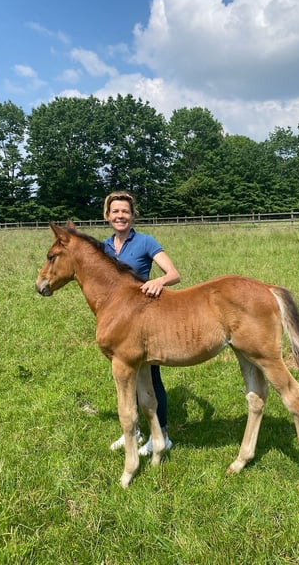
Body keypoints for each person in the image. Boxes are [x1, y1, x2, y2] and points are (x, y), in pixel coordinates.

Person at [103, 191, 181, 456]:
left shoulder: (145, 241)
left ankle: (163, 434)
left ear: (132, 215)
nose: (120, 216)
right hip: (118, 322)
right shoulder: (104, 247)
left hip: (144, 319)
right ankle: (134, 431)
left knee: (151, 376)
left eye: (125, 211)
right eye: (115, 211)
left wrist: (159, 281)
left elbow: (174, 274)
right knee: (127, 377)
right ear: (108, 215)